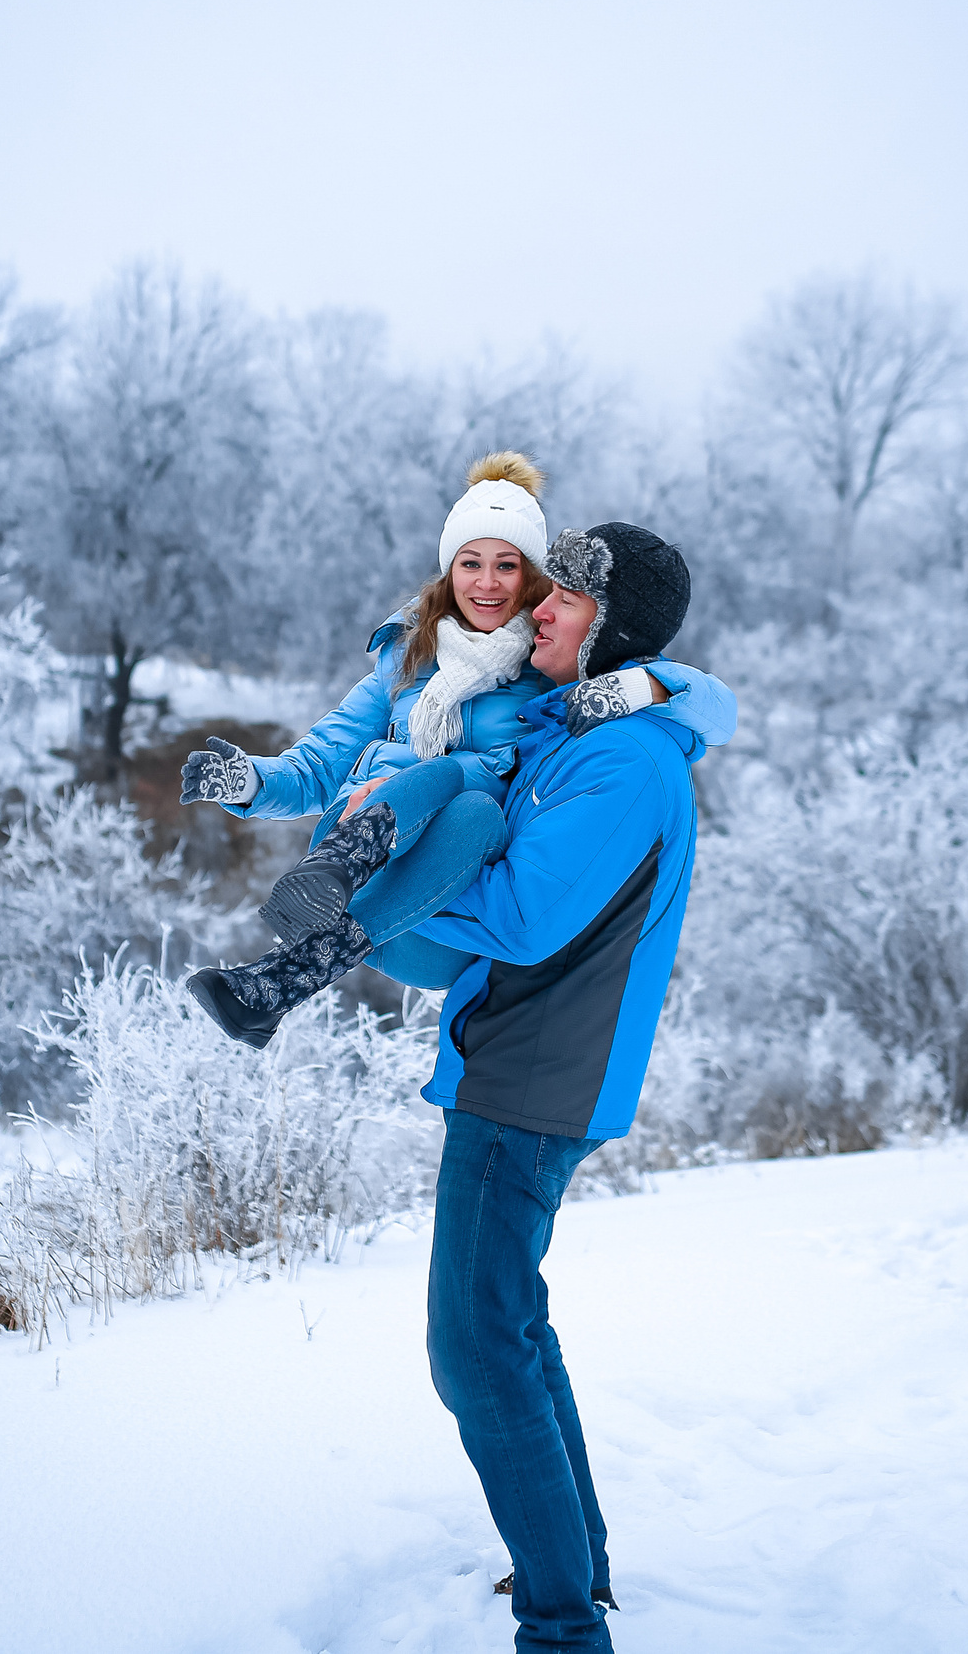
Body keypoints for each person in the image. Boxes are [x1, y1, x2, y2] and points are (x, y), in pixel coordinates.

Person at [396, 521, 720, 1652]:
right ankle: (577, 1567)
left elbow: (522, 914)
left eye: (566, 601)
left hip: (534, 1081)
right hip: (524, 1065)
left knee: (473, 1346)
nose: (536, 607)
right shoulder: (591, 735)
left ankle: (563, 1625)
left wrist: (376, 900)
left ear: (610, 628)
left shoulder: (622, 765)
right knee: (511, 1328)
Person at [180, 467, 730, 1046]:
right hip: (352, 876)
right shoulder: (406, 657)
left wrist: (651, 686)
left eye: (507, 565)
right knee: (455, 793)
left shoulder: (549, 663)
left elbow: (714, 706)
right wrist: (249, 783)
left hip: (440, 907)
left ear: (533, 577)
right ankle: (332, 881)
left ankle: (283, 979)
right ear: (450, 569)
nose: (487, 583)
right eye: (471, 563)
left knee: (472, 806)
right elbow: (324, 758)